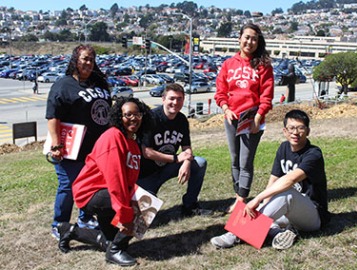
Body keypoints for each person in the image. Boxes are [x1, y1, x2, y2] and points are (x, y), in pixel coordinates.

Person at [210, 109, 331, 250]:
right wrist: (262, 204)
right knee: (267, 208)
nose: (295, 132)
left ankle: (236, 234)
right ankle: (278, 233)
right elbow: (274, 179)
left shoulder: (314, 154)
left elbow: (289, 180)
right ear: (285, 131)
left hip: (313, 215)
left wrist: (257, 198)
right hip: (290, 214)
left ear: (308, 131)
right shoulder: (284, 148)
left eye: (300, 128)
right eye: (291, 128)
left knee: (287, 193)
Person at [57, 97, 153, 266]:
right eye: (127, 114)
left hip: (105, 192)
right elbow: (116, 180)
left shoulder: (132, 141)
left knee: (109, 240)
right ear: (118, 116)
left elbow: (127, 180)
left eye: (137, 114)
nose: (133, 118)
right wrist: (125, 214)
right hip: (92, 193)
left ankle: (70, 231)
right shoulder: (113, 138)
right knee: (145, 204)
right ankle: (115, 252)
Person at [45, 44, 112, 240]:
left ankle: (85, 218)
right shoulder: (63, 85)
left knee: (92, 186)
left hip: (96, 149)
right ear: (75, 60)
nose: (89, 63)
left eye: (91, 59)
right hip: (71, 148)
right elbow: (53, 117)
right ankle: (59, 224)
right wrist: (56, 145)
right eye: (85, 58)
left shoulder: (98, 83)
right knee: (68, 186)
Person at [214, 23, 274, 214]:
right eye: (247, 37)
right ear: (239, 38)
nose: (250, 41)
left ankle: (241, 199)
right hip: (231, 117)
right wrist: (225, 108)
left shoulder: (263, 65)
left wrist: (258, 117)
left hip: (251, 118)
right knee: (234, 159)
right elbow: (220, 92)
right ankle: (238, 193)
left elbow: (267, 95)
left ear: (258, 42)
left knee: (245, 161)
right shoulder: (228, 64)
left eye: (254, 38)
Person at [137, 83, 212, 217]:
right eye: (171, 98)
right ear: (163, 99)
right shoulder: (151, 118)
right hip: (146, 173)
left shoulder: (182, 119)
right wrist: (176, 158)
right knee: (141, 220)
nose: (175, 102)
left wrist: (187, 162)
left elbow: (186, 148)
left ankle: (190, 205)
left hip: (168, 167)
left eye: (179, 99)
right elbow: (146, 152)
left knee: (199, 163)